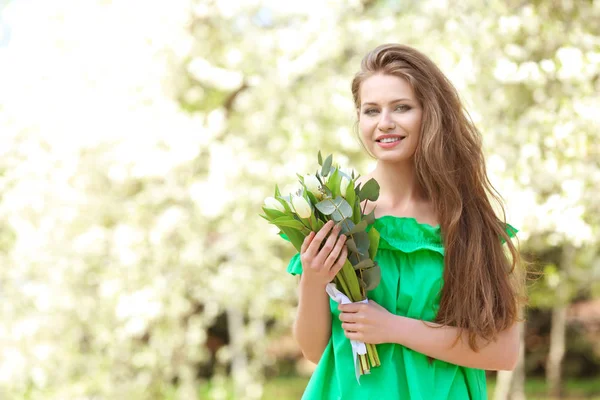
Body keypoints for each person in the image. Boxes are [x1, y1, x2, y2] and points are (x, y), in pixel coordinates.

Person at [282, 44, 525, 399]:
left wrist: (394, 328)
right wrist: (313, 279)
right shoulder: (336, 212)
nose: (385, 123)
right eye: (371, 110)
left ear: (431, 114)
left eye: (402, 107)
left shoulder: (467, 220)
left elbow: (502, 352)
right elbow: (315, 351)